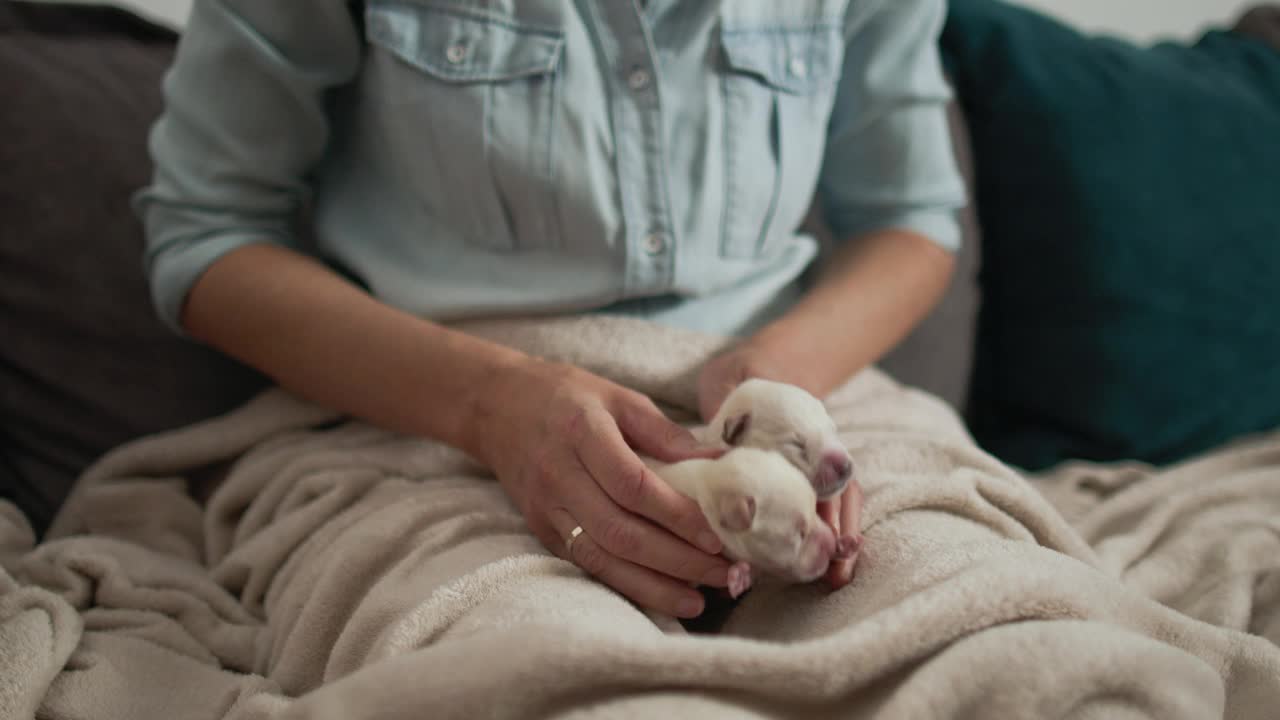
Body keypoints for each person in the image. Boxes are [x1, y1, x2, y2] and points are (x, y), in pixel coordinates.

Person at [135, 0, 965, 623]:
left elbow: (912, 218)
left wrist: (780, 397)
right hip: (427, 429)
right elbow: (207, 236)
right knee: (547, 670)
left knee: (994, 644)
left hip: (809, 404)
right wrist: (489, 403)